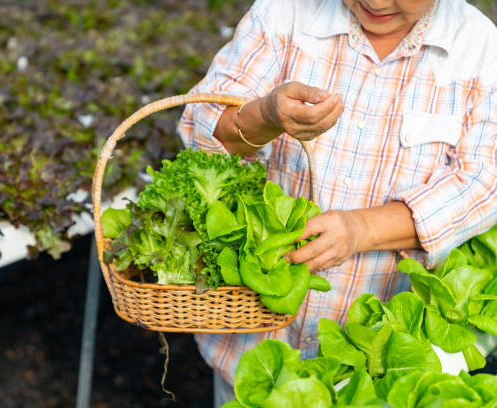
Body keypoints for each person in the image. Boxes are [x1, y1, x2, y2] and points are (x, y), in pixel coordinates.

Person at [177, 0, 497, 405]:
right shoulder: (283, 15)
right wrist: (265, 117)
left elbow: (483, 183)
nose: (376, 2)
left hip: (379, 368)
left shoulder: (479, 50)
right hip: (253, 351)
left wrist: (362, 229)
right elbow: (200, 128)